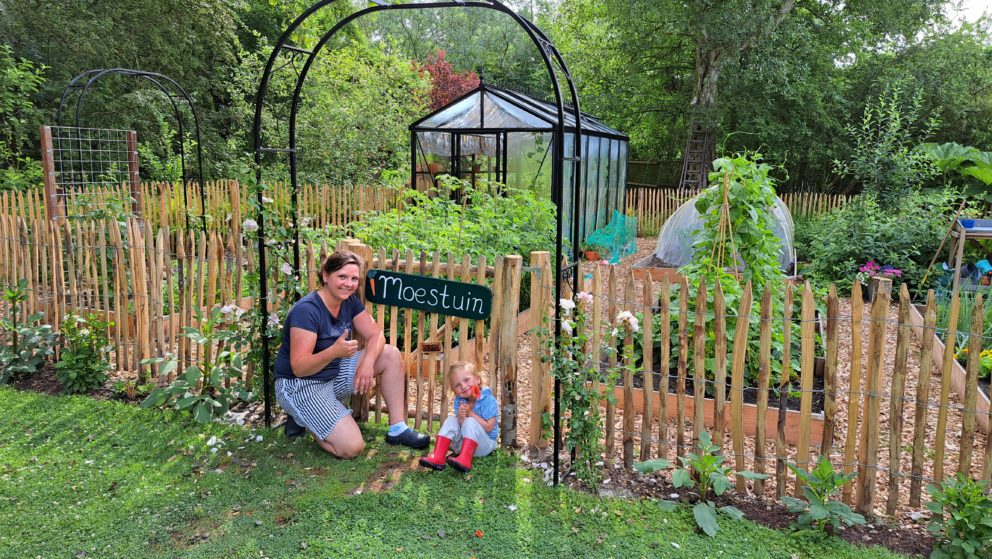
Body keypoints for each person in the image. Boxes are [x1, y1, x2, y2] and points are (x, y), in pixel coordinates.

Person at [274, 250, 429, 458]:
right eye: (342, 277)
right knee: (352, 447)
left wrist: (367, 363)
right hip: (300, 384)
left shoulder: (349, 301)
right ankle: (307, 419)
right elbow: (299, 368)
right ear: (326, 276)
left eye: (354, 278)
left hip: (332, 373)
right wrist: (333, 352)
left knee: (390, 354)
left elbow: (376, 335)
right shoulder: (307, 310)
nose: (349, 283)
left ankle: (398, 429)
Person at [419, 361, 498, 472]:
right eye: (457, 385)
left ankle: (465, 460)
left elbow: (489, 427)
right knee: (451, 420)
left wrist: (470, 414)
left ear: (477, 379)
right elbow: (462, 427)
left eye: (466, 380)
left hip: (485, 446)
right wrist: (461, 418)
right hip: (465, 446)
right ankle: (438, 457)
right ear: (454, 391)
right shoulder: (460, 401)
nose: (464, 386)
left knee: (470, 421)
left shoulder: (488, 400)